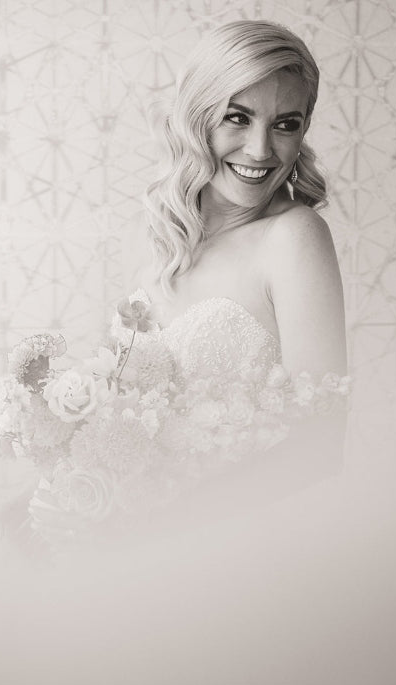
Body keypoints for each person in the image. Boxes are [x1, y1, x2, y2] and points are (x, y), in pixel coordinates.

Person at [131, 19, 349, 522]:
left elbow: (318, 448)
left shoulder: (293, 239)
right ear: (196, 119)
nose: (259, 149)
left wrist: (163, 525)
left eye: (286, 124)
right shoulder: (159, 241)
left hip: (241, 549)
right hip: (143, 556)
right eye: (237, 117)